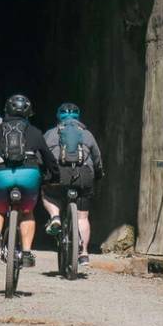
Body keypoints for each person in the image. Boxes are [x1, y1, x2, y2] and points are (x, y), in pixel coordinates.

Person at [0, 93, 59, 267]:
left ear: (6, 110)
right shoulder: (35, 132)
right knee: (27, 212)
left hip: (2, 174)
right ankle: (27, 253)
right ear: (29, 113)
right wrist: (53, 177)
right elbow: (49, 159)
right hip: (29, 175)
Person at [42, 101, 104, 272]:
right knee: (82, 217)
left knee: (48, 194)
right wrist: (97, 175)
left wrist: (43, 173)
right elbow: (97, 159)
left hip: (58, 175)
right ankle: (83, 253)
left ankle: (55, 217)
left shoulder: (51, 133)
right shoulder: (87, 134)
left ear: (58, 117)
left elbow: (43, 155)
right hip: (83, 176)